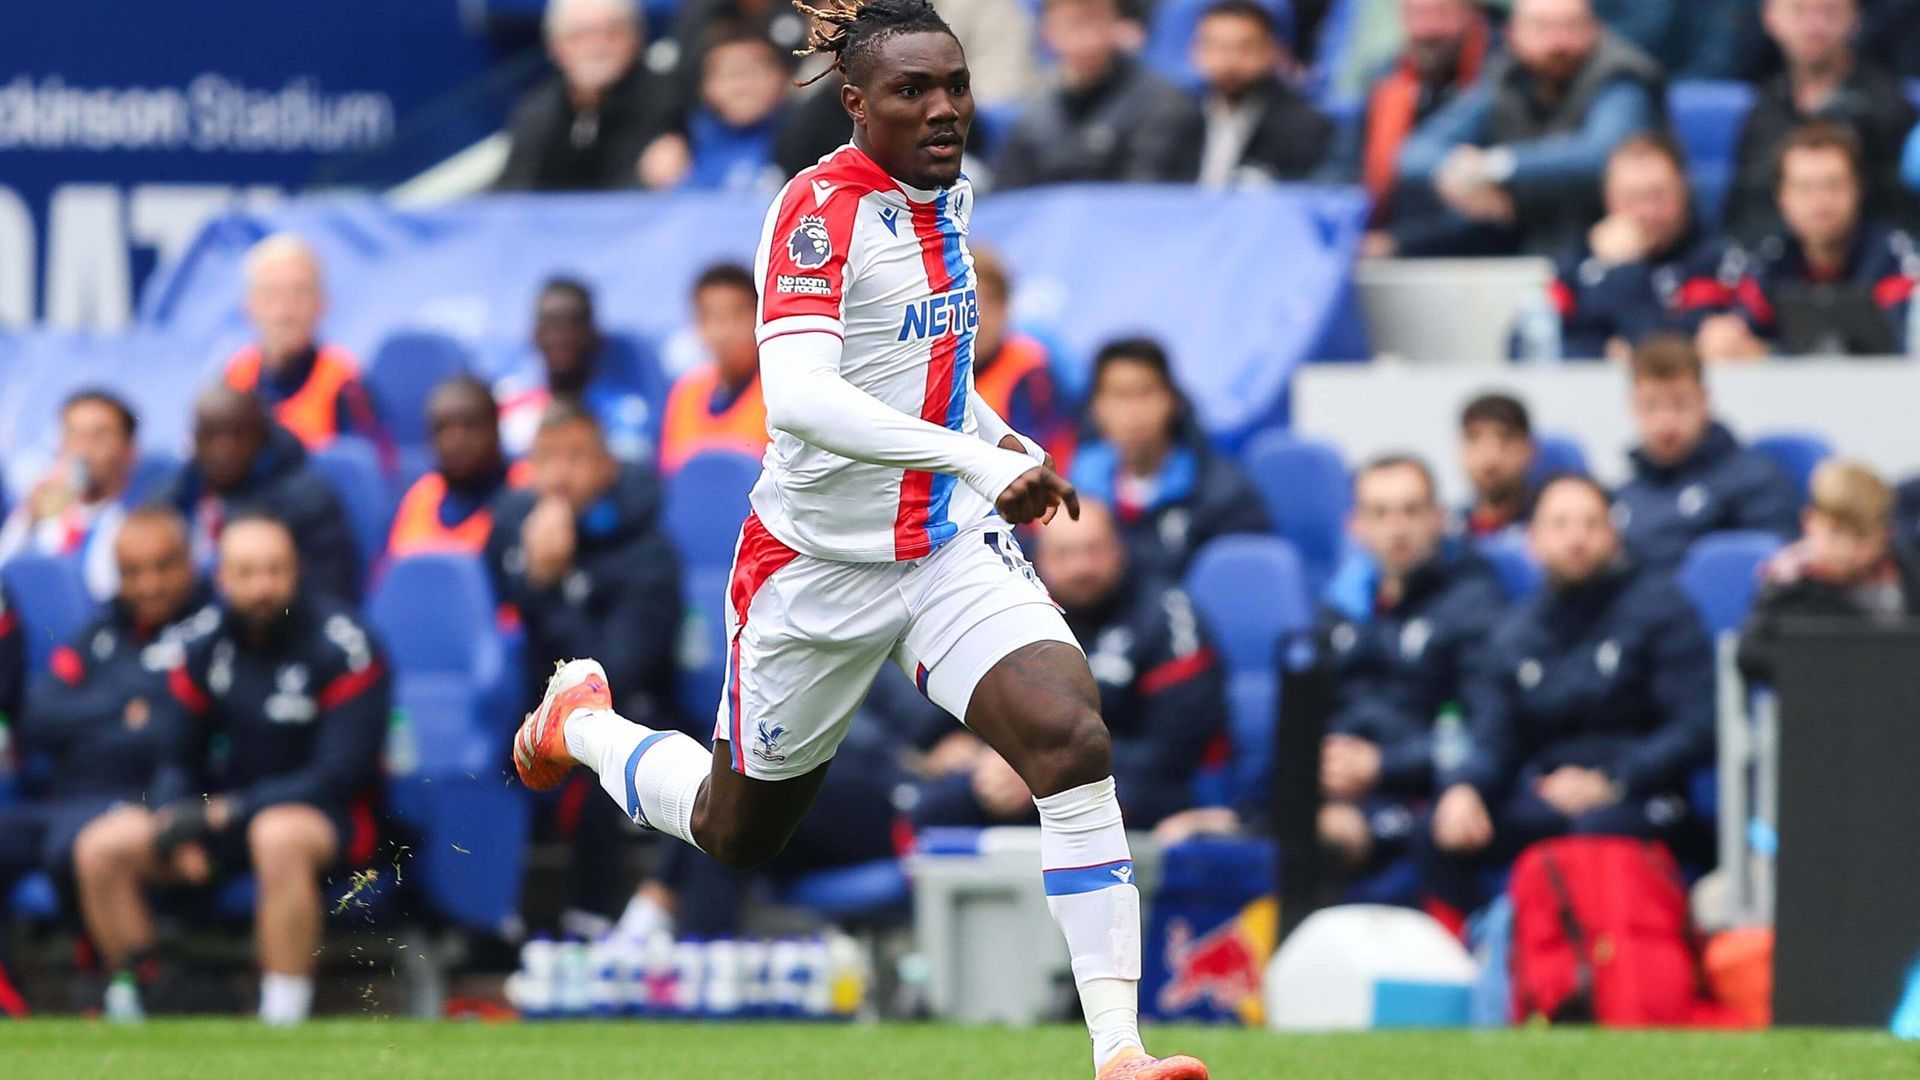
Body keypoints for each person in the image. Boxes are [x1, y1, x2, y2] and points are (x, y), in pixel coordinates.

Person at [505, 1, 1208, 1073]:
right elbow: (799, 400)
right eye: (911, 91)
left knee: (1070, 740)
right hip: (813, 571)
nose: (942, 109)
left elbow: (926, 375)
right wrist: (977, 459)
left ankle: (1119, 1050)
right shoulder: (820, 211)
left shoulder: (944, 200)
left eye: (956, 86)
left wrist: (994, 434)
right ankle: (586, 725)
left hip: (938, 546)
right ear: (853, 102)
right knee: (737, 830)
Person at [71, 514, 390, 1025]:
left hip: (328, 823)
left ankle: (282, 1016)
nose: (261, 587)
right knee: (100, 847)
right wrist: (178, 820)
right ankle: (155, 996)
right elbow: (174, 753)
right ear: (221, 579)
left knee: (276, 834)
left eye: (274, 570)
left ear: (297, 571)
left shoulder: (345, 645)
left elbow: (339, 774)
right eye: (245, 573)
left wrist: (227, 813)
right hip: (220, 820)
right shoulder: (203, 645)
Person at [1420, 475, 1715, 912]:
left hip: (1641, 794)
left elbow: (1697, 723)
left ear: (1613, 535)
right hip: (1547, 795)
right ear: (1532, 540)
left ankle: (1595, 973)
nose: (1576, 538)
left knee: (1595, 833)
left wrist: (1613, 779)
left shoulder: (1661, 608)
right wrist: (1464, 787)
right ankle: (1469, 964)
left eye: (1590, 524)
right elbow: (1493, 732)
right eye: (1560, 525)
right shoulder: (1514, 631)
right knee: (1438, 829)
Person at [915, 499, 1226, 830]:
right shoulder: (1013, 610)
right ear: (1038, 559)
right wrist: (965, 746)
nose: (1081, 567)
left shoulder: (1166, 613)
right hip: (1024, 777)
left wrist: (1045, 765)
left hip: (1135, 783)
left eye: (1093, 550)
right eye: (1064, 554)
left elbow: (1174, 751)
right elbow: (958, 708)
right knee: (935, 805)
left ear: (1119, 549)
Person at [2, 511, 216, 923]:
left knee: (76, 845)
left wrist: (93, 717)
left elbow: (169, 733)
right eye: (133, 572)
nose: (149, 585)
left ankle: (131, 975)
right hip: (71, 800)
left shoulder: (213, 635)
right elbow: (38, 714)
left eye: (163, 566)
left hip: (148, 803)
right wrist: (124, 708)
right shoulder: (101, 633)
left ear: (190, 560)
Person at [1316, 456, 1505, 875]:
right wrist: (1319, 761)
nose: (1397, 527)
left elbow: (1488, 724)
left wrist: (1381, 763)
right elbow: (1309, 713)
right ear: (1356, 525)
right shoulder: (1339, 610)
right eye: (1380, 513)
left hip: (1422, 791)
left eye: (1411, 511)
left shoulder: (1473, 603)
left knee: (1323, 838)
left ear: (1438, 518)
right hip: (1336, 790)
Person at [1394, 0, 1666, 257]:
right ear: (1513, 34)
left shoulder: (1621, 76)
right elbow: (1415, 153)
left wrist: (1495, 167)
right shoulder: (1504, 77)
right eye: (1542, 27)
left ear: (1596, 29)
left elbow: (1603, 155)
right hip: (1524, 247)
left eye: (1571, 26)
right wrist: (1464, 179)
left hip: (1610, 251)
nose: (1558, 42)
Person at [1704, 122, 1920, 360]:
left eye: (1833, 185)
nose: (1821, 201)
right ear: (1782, 197)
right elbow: (1741, 332)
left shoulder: (1895, 259)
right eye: (1805, 188)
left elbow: (1903, 348)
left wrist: (1771, 356)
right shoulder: (1770, 260)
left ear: (1857, 189)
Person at [1069, 337, 1270, 580]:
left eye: (1145, 392)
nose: (1133, 411)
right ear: (1095, 408)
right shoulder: (1075, 491)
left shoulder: (1222, 494)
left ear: (1173, 401)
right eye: (1119, 395)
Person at [1722, 0, 1917, 246]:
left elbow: (1902, 221)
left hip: (1866, 274)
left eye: (1829, 11)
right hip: (1771, 273)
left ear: (1855, 18)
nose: (1814, 26)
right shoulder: (1762, 111)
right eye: (1799, 11)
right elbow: (1741, 216)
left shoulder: (1890, 111)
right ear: (1770, 18)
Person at [1614, 336, 1800, 572]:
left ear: (1704, 401)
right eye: (1651, 405)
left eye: (1679, 404)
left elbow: (1778, 571)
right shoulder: (1623, 496)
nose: (1665, 422)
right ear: (1632, 407)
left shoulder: (1755, 479)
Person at [1550, 135, 1744, 360]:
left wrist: (1626, 268)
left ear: (1685, 189)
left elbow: (1668, 355)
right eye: (1632, 198)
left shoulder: (1717, 264)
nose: (1647, 212)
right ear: (1608, 199)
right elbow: (1531, 344)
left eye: (1658, 195)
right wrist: (1600, 353)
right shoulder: (1577, 262)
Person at [161, 387, 362, 604]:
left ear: (260, 437)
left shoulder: (306, 501)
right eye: (210, 435)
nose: (223, 449)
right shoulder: (183, 487)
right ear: (196, 440)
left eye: (237, 435)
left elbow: (325, 594)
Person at [1737, 459, 1920, 684]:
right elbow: (1751, 654)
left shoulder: (1907, 572)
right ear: (1809, 522)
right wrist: (1826, 662)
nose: (1845, 550)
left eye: (1861, 537)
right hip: (1829, 704)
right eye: (1834, 533)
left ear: (1885, 535)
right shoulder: (1789, 585)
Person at [995, 0, 1204, 189]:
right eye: (1070, 25)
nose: (1086, 39)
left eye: (1095, 22)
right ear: (1046, 33)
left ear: (1118, 26)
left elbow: (1146, 199)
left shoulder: (1164, 105)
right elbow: (1009, 200)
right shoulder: (1034, 116)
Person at [222, 234, 382, 454]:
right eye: (271, 294)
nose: (285, 311)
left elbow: (369, 472)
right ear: (248, 305)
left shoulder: (345, 384)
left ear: (322, 303)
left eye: (300, 293)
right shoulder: (235, 377)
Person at [497, 0, 679, 191]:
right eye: (581, 36)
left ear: (637, 37)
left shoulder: (668, 101)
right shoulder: (536, 113)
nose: (598, 47)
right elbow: (511, 197)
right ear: (555, 47)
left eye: (612, 32)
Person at [1346, 0, 1490, 239]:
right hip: (1387, 245)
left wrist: (1401, 242)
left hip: (1477, 253)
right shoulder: (1385, 80)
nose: (1428, 29)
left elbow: (1495, 206)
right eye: (1417, 14)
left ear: (1472, 13)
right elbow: (1345, 171)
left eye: (1442, 13)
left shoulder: (1497, 80)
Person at [496, 277, 660, 465]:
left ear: (594, 333)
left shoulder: (628, 408)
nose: (559, 338)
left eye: (571, 325)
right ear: (534, 335)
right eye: (550, 326)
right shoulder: (514, 406)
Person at [0, 389, 140, 600]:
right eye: (73, 434)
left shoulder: (131, 525)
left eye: (98, 436)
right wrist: (28, 517)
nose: (83, 448)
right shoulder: (40, 519)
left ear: (129, 450)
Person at [1188, 0, 1333, 188]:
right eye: (1217, 46)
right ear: (1194, 51)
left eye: (1245, 48)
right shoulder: (1175, 119)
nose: (1230, 61)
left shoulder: (1303, 125)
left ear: (1273, 50)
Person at [388, 377, 523, 559]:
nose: (454, 443)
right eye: (441, 429)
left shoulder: (526, 489)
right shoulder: (423, 494)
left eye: (469, 426)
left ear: (495, 427)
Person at [651, 24, 791, 192]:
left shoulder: (806, 135)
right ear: (705, 87)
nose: (741, 86)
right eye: (728, 75)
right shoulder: (686, 140)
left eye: (752, 72)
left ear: (783, 78)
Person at [659, 263, 770, 473]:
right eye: (710, 316)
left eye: (736, 316)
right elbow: (671, 474)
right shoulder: (685, 391)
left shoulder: (777, 392)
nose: (723, 332)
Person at [970, 247, 1074, 467]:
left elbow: (1029, 455)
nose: (979, 322)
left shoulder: (1029, 372)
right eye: (971, 308)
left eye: (988, 306)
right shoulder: (940, 370)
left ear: (1006, 309)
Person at [1457, 392, 1541, 540]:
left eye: (1505, 439)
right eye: (1474, 438)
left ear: (1529, 449)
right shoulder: (1446, 532)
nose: (1490, 457)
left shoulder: (1548, 533)